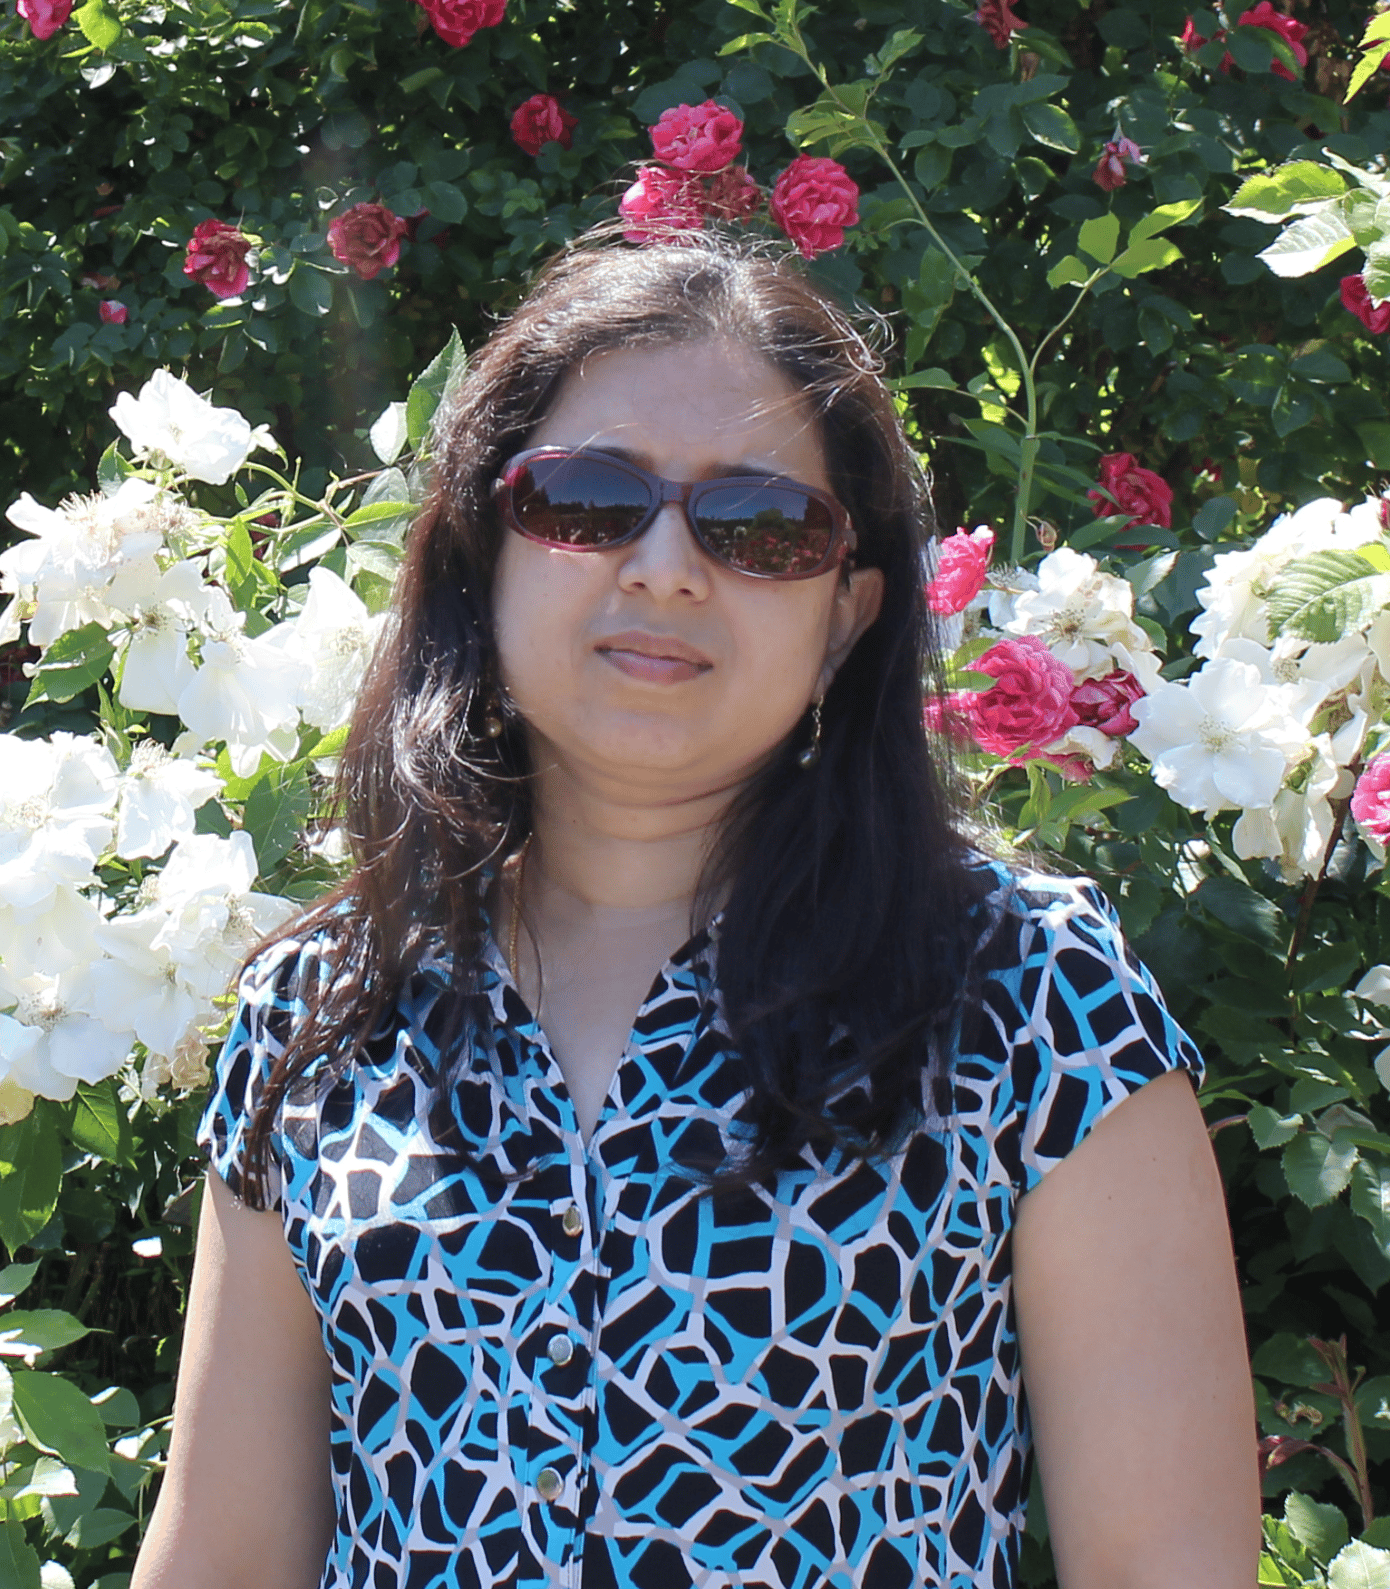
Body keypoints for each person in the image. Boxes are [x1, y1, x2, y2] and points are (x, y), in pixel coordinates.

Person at [131, 234, 1258, 1589]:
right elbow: (223, 1558)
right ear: (485, 549)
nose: (665, 568)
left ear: (844, 616)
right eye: (588, 502)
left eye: (758, 528)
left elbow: (1165, 1567)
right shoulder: (320, 1012)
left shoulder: (1031, 997)